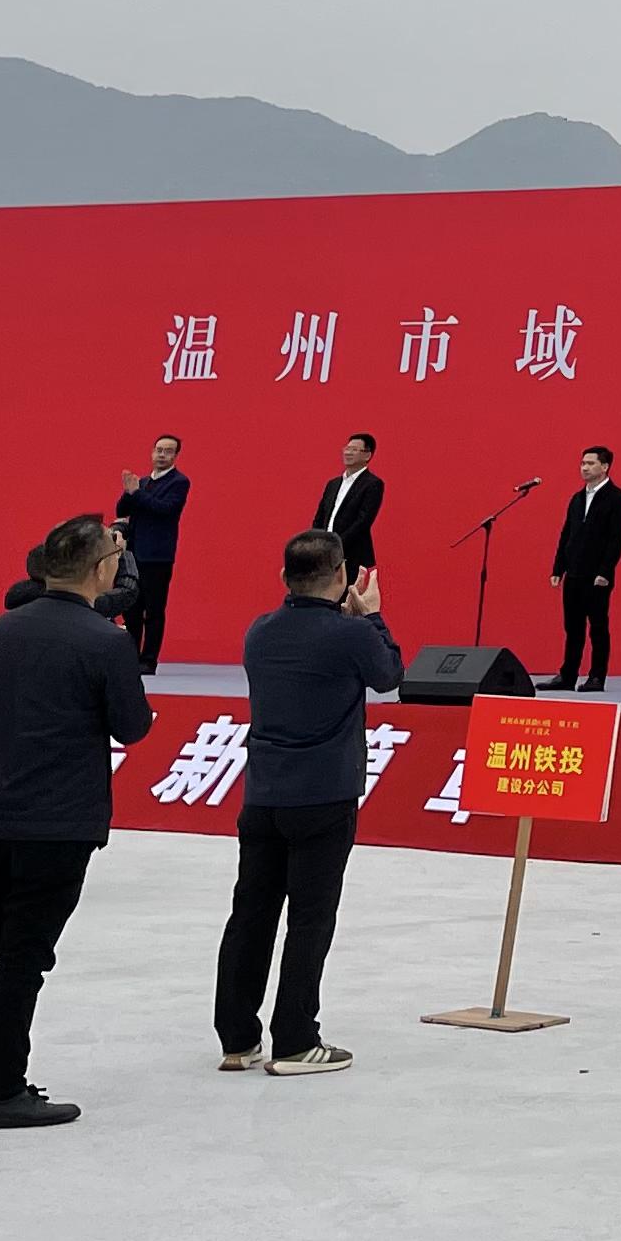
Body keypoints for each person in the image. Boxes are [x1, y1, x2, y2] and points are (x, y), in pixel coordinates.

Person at [0, 513, 153, 1130]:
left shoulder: (1, 629)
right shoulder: (105, 641)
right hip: (57, 819)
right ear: (101, 569)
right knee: (23, 957)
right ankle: (3, 1089)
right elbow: (132, 725)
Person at [215, 527, 401, 1079]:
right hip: (324, 793)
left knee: (250, 913)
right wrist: (371, 616)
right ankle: (296, 1039)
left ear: (283, 577)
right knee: (310, 918)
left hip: (264, 793)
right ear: (341, 575)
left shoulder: (260, 630)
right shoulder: (351, 634)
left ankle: (237, 1038)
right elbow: (389, 676)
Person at [548, 445, 621, 693]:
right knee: (572, 627)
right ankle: (568, 675)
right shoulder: (577, 498)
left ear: (605, 467)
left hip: (597, 576)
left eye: (591, 463)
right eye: (583, 463)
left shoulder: (617, 498)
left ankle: (596, 677)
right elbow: (566, 534)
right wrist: (558, 568)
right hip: (574, 572)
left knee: (598, 627)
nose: (585, 468)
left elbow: (616, 539)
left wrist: (605, 571)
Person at [114, 435, 192, 673]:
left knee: (154, 609)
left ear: (175, 456)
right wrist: (128, 493)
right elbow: (122, 510)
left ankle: (148, 660)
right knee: (132, 609)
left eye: (168, 451)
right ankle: (130, 656)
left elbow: (164, 509)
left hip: (158, 556)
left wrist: (136, 493)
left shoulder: (179, 482)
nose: (161, 455)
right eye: (158, 450)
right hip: (134, 553)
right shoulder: (144, 482)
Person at [311, 434, 384, 574]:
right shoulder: (333, 484)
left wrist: (337, 544)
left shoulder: (372, 484)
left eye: (354, 449)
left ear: (367, 455)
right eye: (347, 448)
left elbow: (363, 521)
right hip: (325, 554)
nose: (348, 452)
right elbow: (320, 517)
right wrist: (317, 543)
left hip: (352, 554)